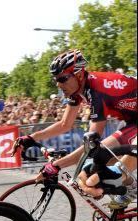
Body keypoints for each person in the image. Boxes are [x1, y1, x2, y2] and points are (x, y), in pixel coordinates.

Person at [13, 49, 137, 207]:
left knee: (101, 173)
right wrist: (32, 137)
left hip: (133, 120)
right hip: (131, 120)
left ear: (78, 74)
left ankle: (129, 188)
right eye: (56, 79)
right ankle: (127, 193)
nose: (59, 84)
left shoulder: (96, 91)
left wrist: (56, 165)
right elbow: (65, 124)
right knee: (89, 175)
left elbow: (91, 144)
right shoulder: (77, 91)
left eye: (63, 78)